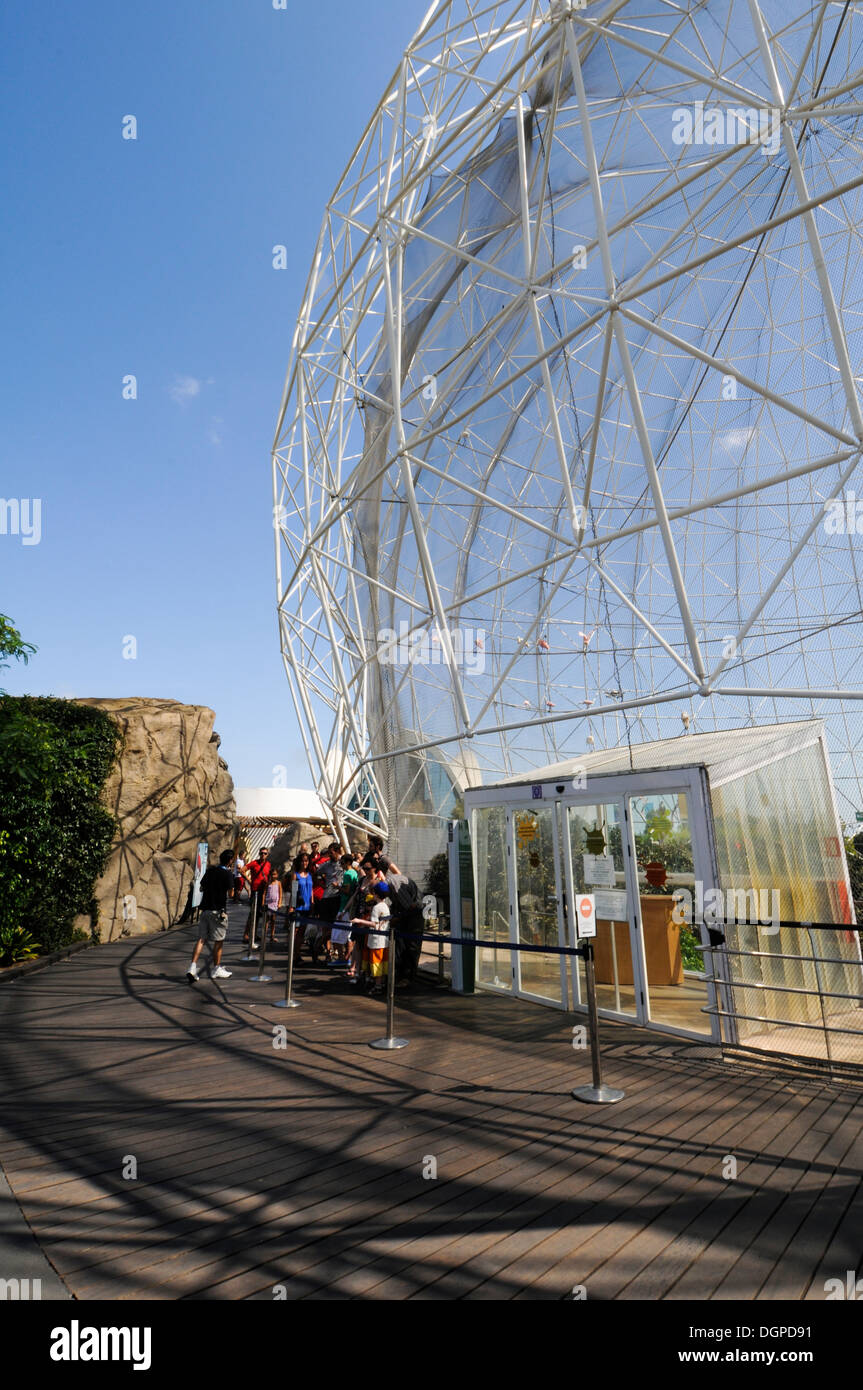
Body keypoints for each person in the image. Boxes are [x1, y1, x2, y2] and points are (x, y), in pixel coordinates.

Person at [186, 849, 234, 982]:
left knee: (201, 939)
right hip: (218, 911)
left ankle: (192, 967)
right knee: (219, 940)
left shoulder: (210, 871)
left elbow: (201, 887)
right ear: (230, 861)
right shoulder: (227, 874)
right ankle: (216, 968)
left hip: (205, 909)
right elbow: (231, 894)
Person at [289, 852, 314, 964]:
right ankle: (295, 955)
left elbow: (311, 890)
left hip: (307, 907)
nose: (305, 863)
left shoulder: (309, 875)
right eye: (303, 861)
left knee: (302, 933)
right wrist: (291, 907)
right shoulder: (295, 875)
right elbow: (294, 892)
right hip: (298, 907)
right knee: (296, 932)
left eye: (306, 861)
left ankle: (297, 953)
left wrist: (312, 902)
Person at [243, 848, 272, 942]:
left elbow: (269, 876)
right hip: (255, 891)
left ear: (267, 855)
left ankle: (254, 934)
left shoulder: (268, 864)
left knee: (259, 914)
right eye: (261, 853)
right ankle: (246, 934)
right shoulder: (254, 863)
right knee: (252, 914)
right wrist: (249, 880)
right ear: (259, 854)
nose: (263, 855)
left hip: (263, 892)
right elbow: (242, 870)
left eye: (265, 853)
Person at [264, 866, 282, 943]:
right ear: (270, 875)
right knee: (267, 920)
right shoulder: (268, 883)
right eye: (272, 874)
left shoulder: (278, 883)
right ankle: (264, 935)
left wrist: (280, 903)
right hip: (268, 903)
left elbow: (280, 893)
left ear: (277, 875)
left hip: (275, 904)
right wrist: (263, 902)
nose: (273, 876)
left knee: (273, 920)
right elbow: (264, 893)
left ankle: (272, 935)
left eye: (275, 874)